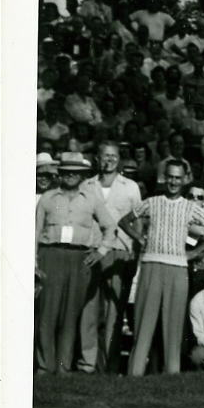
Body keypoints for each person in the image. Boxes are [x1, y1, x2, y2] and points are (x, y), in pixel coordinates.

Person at [119, 159, 204, 376]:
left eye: (178, 178)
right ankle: (134, 375)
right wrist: (140, 238)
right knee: (144, 324)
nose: (173, 181)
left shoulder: (191, 207)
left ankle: (171, 375)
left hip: (178, 269)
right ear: (164, 177)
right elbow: (124, 221)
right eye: (170, 177)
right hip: (151, 266)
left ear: (184, 179)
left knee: (173, 327)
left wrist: (195, 252)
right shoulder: (151, 202)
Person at [35, 151, 105, 373]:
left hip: (79, 259)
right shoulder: (48, 198)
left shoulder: (91, 199)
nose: (70, 176)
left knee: (70, 315)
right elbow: (35, 232)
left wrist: (101, 251)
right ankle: (45, 367)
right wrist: (34, 263)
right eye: (66, 172)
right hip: (50, 256)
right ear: (60, 172)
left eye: (76, 172)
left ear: (83, 175)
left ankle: (63, 368)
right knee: (47, 313)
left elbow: (110, 226)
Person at [78, 142, 143, 373]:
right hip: (92, 249)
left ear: (120, 159)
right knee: (89, 307)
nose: (109, 159)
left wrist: (135, 251)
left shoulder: (131, 187)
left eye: (113, 156)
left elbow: (138, 222)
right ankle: (88, 362)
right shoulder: (86, 185)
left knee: (114, 310)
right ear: (97, 158)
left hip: (120, 251)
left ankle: (110, 364)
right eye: (104, 155)